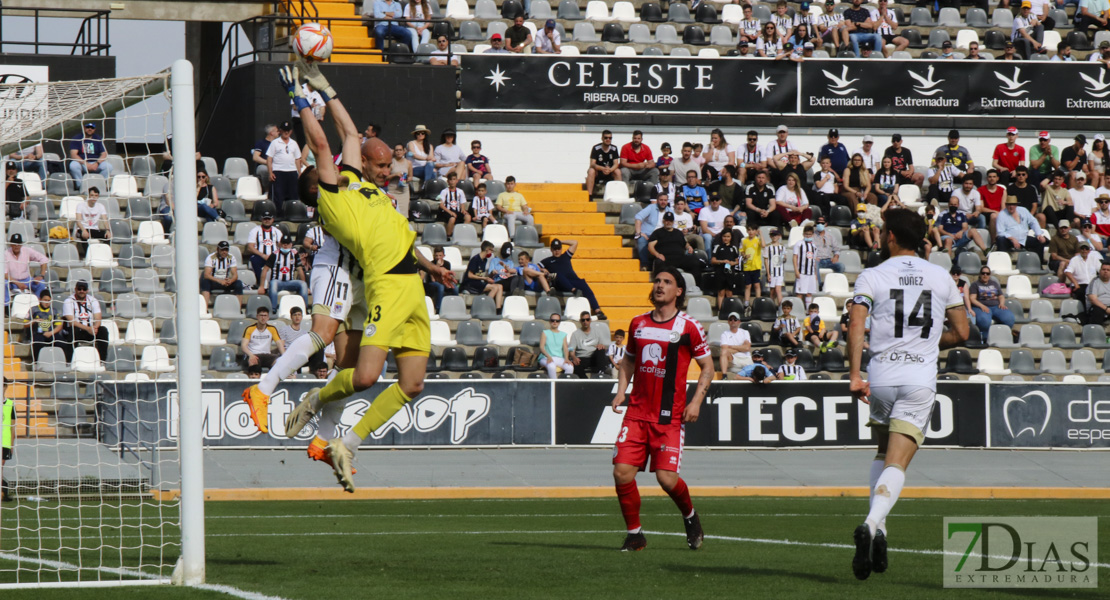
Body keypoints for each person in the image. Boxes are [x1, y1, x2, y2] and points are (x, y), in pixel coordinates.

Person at [275, 63, 453, 493]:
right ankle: (315, 398)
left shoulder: (364, 186)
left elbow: (351, 136)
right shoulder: (335, 202)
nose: (387, 171)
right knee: (365, 376)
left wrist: (328, 89)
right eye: (382, 165)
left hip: (413, 286)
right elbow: (322, 143)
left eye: (388, 165)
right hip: (386, 287)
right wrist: (300, 100)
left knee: (412, 384)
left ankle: (347, 446)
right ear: (319, 185)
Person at [847, 208, 968, 581]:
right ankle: (871, 523)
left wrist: (854, 374)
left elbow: (856, 321)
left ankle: (880, 531)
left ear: (892, 237)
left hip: (882, 376)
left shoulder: (872, 274)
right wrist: (930, 343)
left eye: (884, 231)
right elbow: (962, 333)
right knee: (897, 463)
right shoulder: (941, 276)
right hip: (919, 379)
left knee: (882, 453)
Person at [610, 266, 711, 552]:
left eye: (667, 282)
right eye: (657, 280)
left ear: (678, 291)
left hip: (669, 418)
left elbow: (708, 367)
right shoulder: (638, 323)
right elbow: (628, 361)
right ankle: (635, 535)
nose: (659, 285)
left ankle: (690, 517)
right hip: (637, 413)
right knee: (622, 473)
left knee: (666, 480)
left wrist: (696, 401)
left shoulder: (689, 326)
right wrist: (621, 392)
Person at [541, 239, 606, 320]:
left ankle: (598, 311)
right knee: (558, 275)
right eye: (555, 249)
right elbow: (536, 267)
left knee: (583, 284)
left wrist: (561, 241)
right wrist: (543, 270)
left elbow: (575, 243)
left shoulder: (565, 256)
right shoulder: (547, 260)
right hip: (560, 283)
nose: (557, 251)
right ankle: (574, 290)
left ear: (561, 248)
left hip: (572, 280)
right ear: (551, 250)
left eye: (559, 248)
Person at [647, 212, 702, 285]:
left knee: (695, 261)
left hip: (679, 258)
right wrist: (657, 255)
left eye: (670, 220)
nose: (668, 222)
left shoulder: (678, 233)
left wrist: (689, 247)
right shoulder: (657, 233)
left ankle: (696, 285)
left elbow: (685, 243)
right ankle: (659, 284)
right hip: (665, 259)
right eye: (666, 220)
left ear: (673, 222)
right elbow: (650, 246)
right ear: (663, 221)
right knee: (658, 262)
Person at [62, 280, 109, 362]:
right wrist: (88, 329)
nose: (81, 291)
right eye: (79, 289)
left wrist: (95, 328)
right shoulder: (68, 301)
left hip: (90, 330)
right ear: (75, 289)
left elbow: (98, 318)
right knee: (73, 331)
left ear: (87, 290)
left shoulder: (93, 300)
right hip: (77, 329)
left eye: (84, 289)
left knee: (103, 330)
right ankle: (69, 361)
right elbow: (71, 321)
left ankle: (102, 360)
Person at [261, 237, 309, 311]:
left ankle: (304, 308)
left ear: (291, 244)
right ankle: (273, 309)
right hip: (277, 281)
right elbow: (265, 269)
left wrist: (304, 283)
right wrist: (261, 286)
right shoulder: (274, 254)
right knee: (273, 284)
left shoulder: (295, 254)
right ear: (280, 244)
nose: (285, 246)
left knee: (303, 284)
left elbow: (299, 269)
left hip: (290, 282)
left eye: (287, 244)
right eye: (283, 243)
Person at [266, 121, 303, 215]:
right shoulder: (275, 143)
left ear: (290, 131)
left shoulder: (294, 143)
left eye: (288, 131)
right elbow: (269, 158)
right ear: (281, 131)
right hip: (279, 171)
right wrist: (270, 172)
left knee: (293, 194)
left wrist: (299, 173)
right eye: (284, 130)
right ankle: (278, 214)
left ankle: (293, 213)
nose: (286, 133)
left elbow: (297, 159)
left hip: (292, 172)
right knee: (278, 195)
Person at [969, 266, 1015, 334]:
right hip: (981, 307)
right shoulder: (975, 284)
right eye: (983, 273)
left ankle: (1004, 335)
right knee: (984, 320)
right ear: (980, 274)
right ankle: (984, 338)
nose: (985, 275)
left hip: (996, 306)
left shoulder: (994, 283)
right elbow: (972, 299)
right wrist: (982, 306)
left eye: (987, 273)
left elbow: (1001, 296)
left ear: (989, 275)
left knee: (1009, 318)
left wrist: (1002, 304)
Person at [67, 122, 113, 189]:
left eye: (92, 128)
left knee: (109, 167)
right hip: (82, 163)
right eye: (88, 127)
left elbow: (104, 154)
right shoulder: (77, 138)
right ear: (84, 128)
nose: (90, 129)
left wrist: (97, 163)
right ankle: (80, 186)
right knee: (73, 165)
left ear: (94, 129)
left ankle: (98, 186)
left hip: (95, 163)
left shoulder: (97, 138)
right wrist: (86, 163)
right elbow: (73, 155)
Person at [5, 233, 47, 303]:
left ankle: (36, 304)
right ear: (10, 244)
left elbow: (44, 259)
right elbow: (4, 274)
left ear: (21, 244)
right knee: (3, 283)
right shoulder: (5, 254)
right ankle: (6, 306)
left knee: (41, 283)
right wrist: (18, 283)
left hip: (26, 280)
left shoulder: (27, 250)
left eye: (18, 243)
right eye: (14, 243)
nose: (16, 246)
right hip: (11, 281)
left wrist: (41, 275)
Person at [462, 241, 505, 308]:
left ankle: (498, 309)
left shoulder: (484, 260)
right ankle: (485, 307)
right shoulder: (475, 259)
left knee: (500, 286)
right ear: (487, 250)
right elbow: (470, 275)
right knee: (494, 287)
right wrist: (484, 278)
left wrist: (491, 275)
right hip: (470, 283)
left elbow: (481, 274)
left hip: (478, 282)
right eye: (491, 251)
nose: (491, 253)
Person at [28, 289, 66, 366]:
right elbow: (25, 324)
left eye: (48, 301)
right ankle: (36, 363)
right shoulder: (33, 310)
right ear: (40, 299)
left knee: (62, 343)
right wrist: (35, 320)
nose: (46, 303)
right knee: (38, 343)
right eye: (45, 300)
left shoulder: (54, 311)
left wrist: (51, 333)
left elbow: (59, 325)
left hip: (50, 333)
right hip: (38, 333)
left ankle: (61, 363)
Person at [635, 194, 671, 270]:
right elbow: (638, 217)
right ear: (657, 200)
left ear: (667, 201)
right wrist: (639, 233)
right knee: (641, 239)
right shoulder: (651, 207)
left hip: (662, 235)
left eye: (665, 200)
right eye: (661, 200)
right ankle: (645, 265)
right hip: (648, 234)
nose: (663, 202)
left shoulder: (670, 211)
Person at [569, 311, 609, 377]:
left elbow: (603, 347)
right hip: (582, 357)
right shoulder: (575, 334)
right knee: (576, 365)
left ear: (590, 320)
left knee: (601, 350)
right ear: (580, 321)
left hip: (594, 356)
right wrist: (574, 357)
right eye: (583, 320)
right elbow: (571, 349)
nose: (585, 322)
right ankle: (585, 383)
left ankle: (600, 374)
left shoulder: (597, 332)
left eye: (587, 319)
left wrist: (602, 346)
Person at [246, 210, 282, 282]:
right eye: (265, 219)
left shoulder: (277, 231)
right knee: (254, 260)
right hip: (260, 256)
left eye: (269, 219)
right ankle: (261, 282)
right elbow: (250, 247)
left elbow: (281, 246)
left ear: (272, 219)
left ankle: (275, 282)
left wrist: (273, 255)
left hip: (274, 256)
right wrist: (263, 255)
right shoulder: (255, 230)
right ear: (261, 219)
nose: (267, 220)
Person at [711, 228, 741, 306]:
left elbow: (737, 261)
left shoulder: (734, 248)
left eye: (728, 236)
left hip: (730, 272)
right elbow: (713, 260)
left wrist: (732, 263)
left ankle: (729, 310)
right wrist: (722, 261)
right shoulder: (718, 247)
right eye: (724, 236)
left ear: (731, 238)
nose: (726, 238)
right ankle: (721, 311)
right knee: (721, 292)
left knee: (729, 292)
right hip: (720, 271)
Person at [719, 311, 753, 378]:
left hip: (746, 359)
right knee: (723, 352)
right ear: (728, 322)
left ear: (739, 321)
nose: (733, 321)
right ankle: (724, 376)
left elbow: (747, 348)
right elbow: (725, 350)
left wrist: (732, 347)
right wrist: (741, 348)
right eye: (731, 319)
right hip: (734, 359)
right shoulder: (725, 334)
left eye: (735, 319)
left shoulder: (745, 332)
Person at [539, 312, 573, 378]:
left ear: (559, 322)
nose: (555, 322)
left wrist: (566, 358)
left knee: (570, 367)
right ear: (549, 321)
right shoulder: (545, 333)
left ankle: (564, 385)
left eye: (557, 321)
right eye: (553, 320)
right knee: (551, 366)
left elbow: (565, 348)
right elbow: (541, 347)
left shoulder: (563, 334)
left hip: (559, 358)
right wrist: (548, 356)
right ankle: (554, 385)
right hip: (545, 357)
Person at [436, 171, 469, 237]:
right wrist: (450, 212)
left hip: (457, 211)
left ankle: (460, 234)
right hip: (447, 212)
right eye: (450, 180)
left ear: (457, 181)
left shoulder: (460, 191)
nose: (452, 182)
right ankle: (448, 236)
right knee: (452, 218)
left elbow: (462, 203)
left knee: (468, 217)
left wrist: (463, 210)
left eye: (454, 179)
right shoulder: (444, 191)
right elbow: (441, 205)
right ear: (448, 181)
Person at [793, 224, 819, 304]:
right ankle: (798, 310)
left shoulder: (814, 246)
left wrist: (815, 274)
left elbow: (813, 260)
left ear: (813, 235)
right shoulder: (799, 244)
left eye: (810, 234)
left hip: (810, 273)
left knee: (809, 293)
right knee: (800, 293)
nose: (808, 236)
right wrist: (796, 271)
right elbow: (795, 257)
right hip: (802, 272)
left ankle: (808, 311)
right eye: (806, 234)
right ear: (803, 234)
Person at [739, 225, 763, 308]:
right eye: (749, 230)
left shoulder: (758, 240)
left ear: (756, 231)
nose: (751, 232)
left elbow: (763, 245)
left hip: (756, 266)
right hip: (747, 266)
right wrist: (744, 255)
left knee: (757, 285)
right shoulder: (744, 240)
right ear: (747, 231)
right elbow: (741, 251)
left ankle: (758, 302)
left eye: (753, 230)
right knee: (747, 285)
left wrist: (761, 234)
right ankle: (746, 303)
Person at [763, 229, 786, 305]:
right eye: (772, 235)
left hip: (780, 272)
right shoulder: (768, 247)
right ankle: (772, 306)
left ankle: (781, 307)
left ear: (779, 236)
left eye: (776, 235)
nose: (774, 237)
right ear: (770, 236)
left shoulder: (782, 247)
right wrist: (768, 273)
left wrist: (784, 258)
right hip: (772, 272)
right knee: (772, 291)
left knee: (778, 290)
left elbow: (784, 258)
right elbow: (766, 261)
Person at [1, 394, 12, 502]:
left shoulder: (10, 404)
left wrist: (12, 443)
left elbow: (13, 425)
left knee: (1, 466)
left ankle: (3, 493)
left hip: (5, 441)